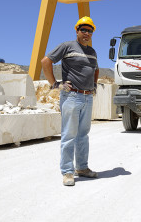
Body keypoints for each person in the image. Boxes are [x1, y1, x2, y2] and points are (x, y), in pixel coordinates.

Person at [41, 16, 99, 186]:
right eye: (83, 29)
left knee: (83, 135)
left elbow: (95, 69)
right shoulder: (67, 46)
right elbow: (46, 61)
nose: (86, 33)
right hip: (71, 96)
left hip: (88, 97)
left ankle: (82, 167)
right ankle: (67, 171)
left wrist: (94, 85)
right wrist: (55, 84)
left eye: (90, 30)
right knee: (69, 135)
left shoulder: (92, 52)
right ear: (77, 31)